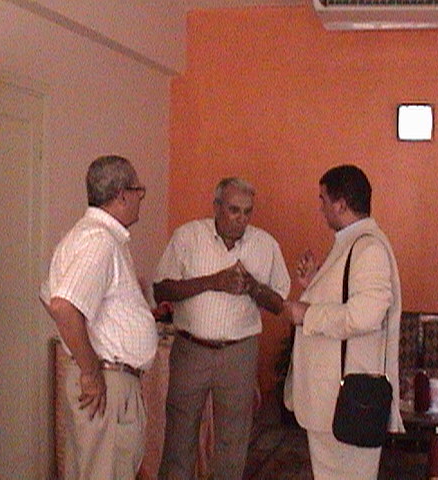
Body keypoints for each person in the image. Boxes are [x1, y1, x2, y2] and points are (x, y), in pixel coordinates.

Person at [155, 177, 291, 480]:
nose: (241, 219)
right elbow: (161, 289)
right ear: (216, 207)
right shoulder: (188, 237)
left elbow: (279, 303)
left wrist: (253, 287)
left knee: (233, 439)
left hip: (239, 353)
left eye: (247, 211)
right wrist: (213, 282)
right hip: (191, 349)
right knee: (179, 434)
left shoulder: (265, 245)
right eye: (233, 210)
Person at [283, 164, 404, 480]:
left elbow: (366, 315)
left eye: (323, 199)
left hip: (348, 401)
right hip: (333, 400)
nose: (320, 208)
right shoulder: (351, 243)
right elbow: (345, 302)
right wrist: (313, 284)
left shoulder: (369, 248)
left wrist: (306, 313)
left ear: (340, 204)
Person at [40, 155, 158, 479]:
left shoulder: (87, 236)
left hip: (108, 378)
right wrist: (91, 372)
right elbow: (63, 307)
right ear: (122, 195)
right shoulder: (99, 241)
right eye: (138, 191)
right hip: (107, 382)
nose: (140, 198)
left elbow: (49, 295)